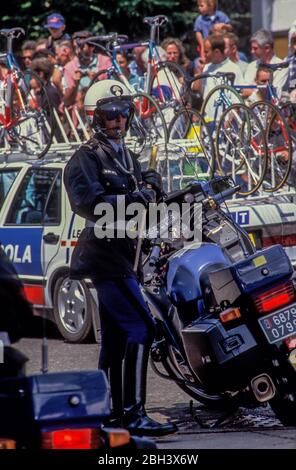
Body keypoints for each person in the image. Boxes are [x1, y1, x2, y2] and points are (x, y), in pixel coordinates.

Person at [63, 79, 177, 437]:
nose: (119, 121)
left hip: (125, 254)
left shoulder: (124, 154)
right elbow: (89, 203)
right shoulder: (85, 157)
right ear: (96, 117)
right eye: (111, 115)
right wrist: (131, 202)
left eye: (123, 113)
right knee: (142, 327)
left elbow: (141, 179)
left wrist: (151, 182)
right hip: (104, 255)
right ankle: (134, 412)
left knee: (114, 337)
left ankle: (111, 413)